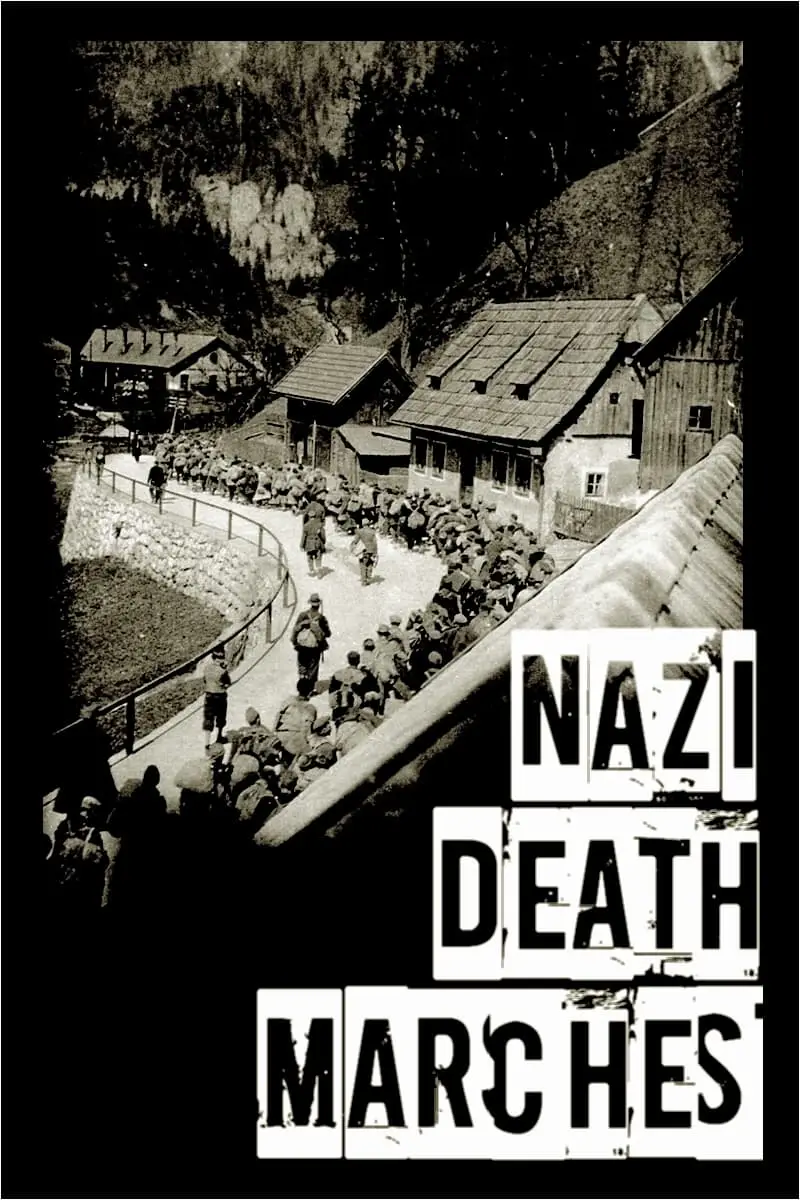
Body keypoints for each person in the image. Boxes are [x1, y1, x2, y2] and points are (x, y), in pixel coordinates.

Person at [291, 594, 331, 688]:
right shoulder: (321, 618)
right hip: (314, 648)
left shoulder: (302, 615)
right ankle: (311, 687)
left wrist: (294, 641)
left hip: (302, 647)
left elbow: (296, 629)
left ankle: (302, 687)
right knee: (313, 668)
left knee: (302, 666)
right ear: (319, 605)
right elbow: (328, 633)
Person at [202, 647, 231, 751]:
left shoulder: (206, 668)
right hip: (220, 696)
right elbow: (228, 683)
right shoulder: (222, 671)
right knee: (220, 718)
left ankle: (207, 743)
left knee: (208, 719)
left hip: (209, 696)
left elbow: (205, 680)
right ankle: (219, 737)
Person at [328, 650, 366, 727]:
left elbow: (331, 691)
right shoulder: (362, 675)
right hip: (352, 707)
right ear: (358, 661)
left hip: (338, 706)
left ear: (348, 661)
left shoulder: (338, 673)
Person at [351, 519, 379, 587]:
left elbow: (356, 541)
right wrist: (375, 552)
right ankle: (368, 577)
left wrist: (352, 545)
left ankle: (364, 581)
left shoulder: (360, 531)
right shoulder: (372, 531)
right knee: (370, 563)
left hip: (362, 551)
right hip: (371, 551)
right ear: (368, 524)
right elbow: (375, 543)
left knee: (363, 565)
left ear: (363, 524)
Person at [300, 509, 326, 578]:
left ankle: (311, 571)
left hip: (309, 544)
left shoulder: (306, 526)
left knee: (310, 557)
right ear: (315, 516)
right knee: (318, 558)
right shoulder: (319, 524)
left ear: (309, 516)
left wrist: (301, 546)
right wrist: (323, 542)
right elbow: (323, 535)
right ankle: (319, 572)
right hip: (318, 543)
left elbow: (303, 536)